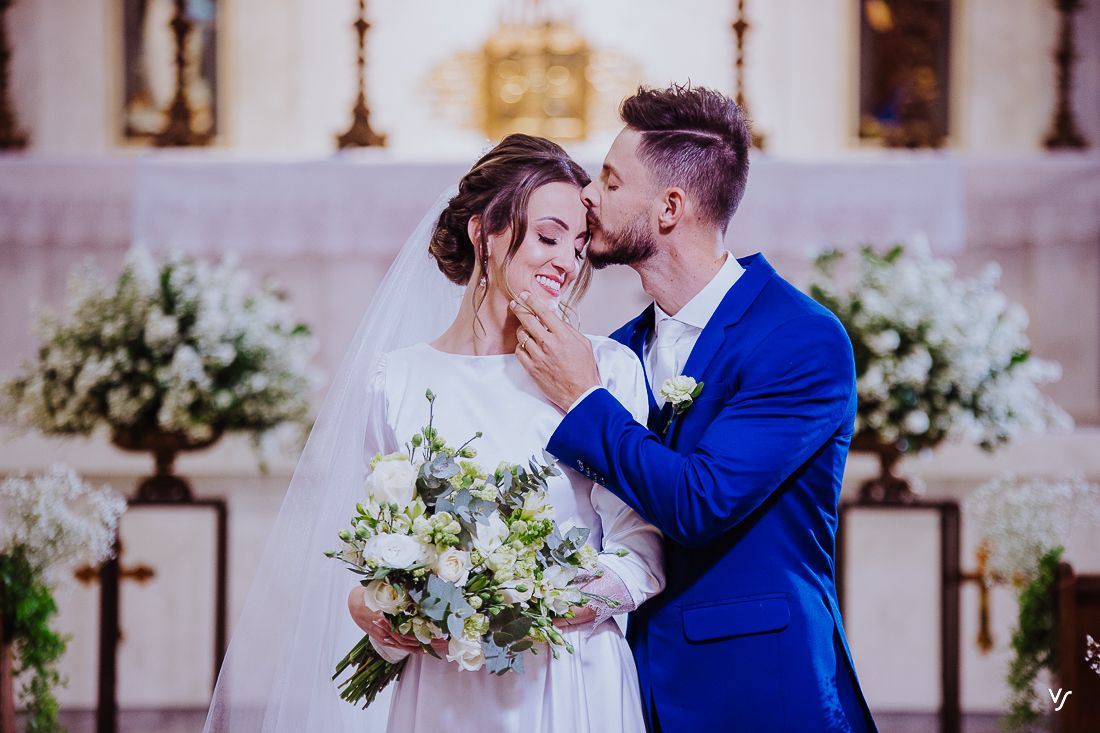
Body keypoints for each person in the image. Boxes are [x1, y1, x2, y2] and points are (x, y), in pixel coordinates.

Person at [202, 134, 663, 733]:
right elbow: (363, 566)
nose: (566, 262)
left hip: (570, 680)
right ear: (483, 233)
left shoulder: (608, 371)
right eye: (548, 237)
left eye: (578, 246)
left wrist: (525, 607)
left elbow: (640, 553)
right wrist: (394, 608)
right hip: (445, 691)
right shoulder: (396, 380)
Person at [509, 84, 878, 732]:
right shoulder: (619, 351)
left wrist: (582, 398)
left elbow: (700, 502)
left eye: (612, 182)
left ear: (670, 206)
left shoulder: (801, 339)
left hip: (760, 693)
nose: (589, 196)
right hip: (629, 691)